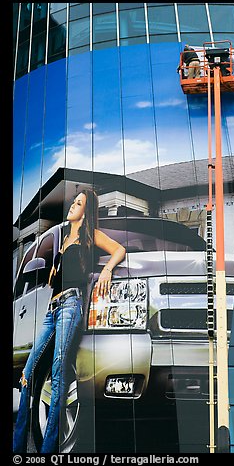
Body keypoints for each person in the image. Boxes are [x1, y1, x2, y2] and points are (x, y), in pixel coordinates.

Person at [13, 188, 126, 453]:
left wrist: (107, 269)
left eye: (79, 204)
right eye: (74, 202)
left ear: (86, 212)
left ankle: (48, 449)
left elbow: (118, 249)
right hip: (52, 310)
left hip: (71, 306)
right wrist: (55, 271)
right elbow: (55, 278)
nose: (73, 206)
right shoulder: (63, 239)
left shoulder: (90, 236)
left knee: (59, 372)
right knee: (27, 374)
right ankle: (17, 448)